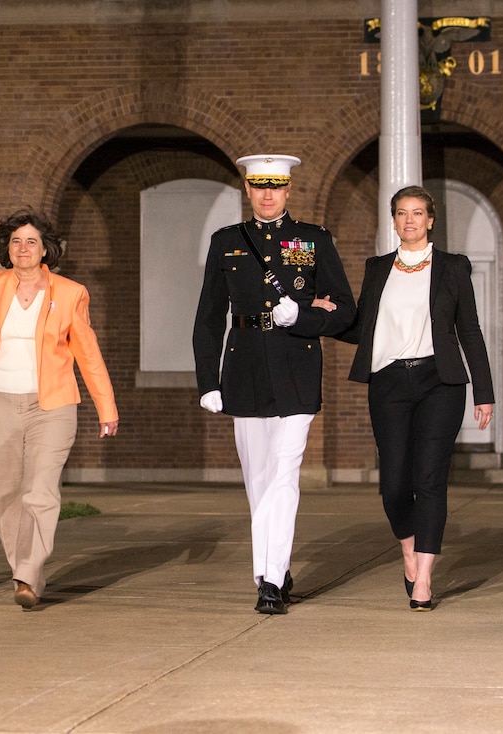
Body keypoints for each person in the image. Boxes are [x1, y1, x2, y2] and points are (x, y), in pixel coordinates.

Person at [192, 154, 356, 615]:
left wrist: (302, 316)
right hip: (243, 366)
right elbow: (208, 317)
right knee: (257, 479)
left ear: (288, 190)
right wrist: (208, 379)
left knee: (284, 475)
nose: (267, 195)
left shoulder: (314, 239)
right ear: (248, 190)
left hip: (296, 362)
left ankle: (267, 579)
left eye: (276, 187)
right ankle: (277, 566)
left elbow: (345, 309)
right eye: (258, 187)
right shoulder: (226, 241)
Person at [0, 208, 118, 610]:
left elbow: (88, 354)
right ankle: (27, 572)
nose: (23, 248)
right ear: (7, 249)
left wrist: (106, 407)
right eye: (15, 241)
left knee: (40, 491)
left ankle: (26, 572)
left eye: (31, 241)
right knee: (6, 494)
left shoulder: (70, 292)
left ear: (46, 250)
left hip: (53, 405)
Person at [341, 185, 494, 611]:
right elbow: (358, 327)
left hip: (438, 383)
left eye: (418, 213)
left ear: (430, 220)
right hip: (388, 384)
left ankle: (424, 577)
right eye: (401, 213)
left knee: (429, 480)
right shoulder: (377, 269)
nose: (409, 220)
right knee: (393, 485)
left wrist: (484, 392)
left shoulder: (453, 267)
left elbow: (470, 331)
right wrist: (319, 315)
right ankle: (408, 546)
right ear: (393, 221)